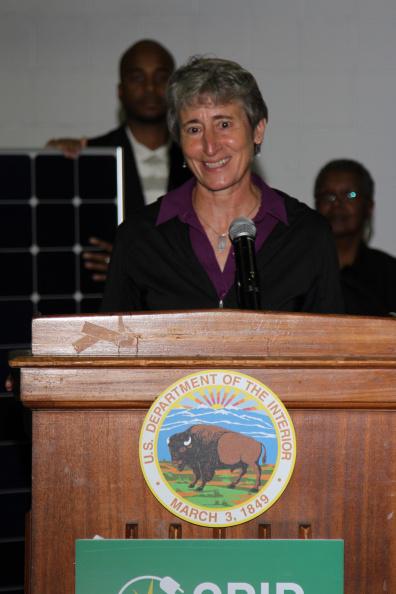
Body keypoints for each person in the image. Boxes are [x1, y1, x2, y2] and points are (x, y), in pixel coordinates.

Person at [102, 56, 344, 313]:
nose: (210, 146)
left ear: (257, 130)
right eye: (194, 129)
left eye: (224, 124)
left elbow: (333, 348)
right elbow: (111, 348)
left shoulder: (307, 234)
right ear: (179, 142)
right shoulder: (140, 236)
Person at [47, 39, 191, 281]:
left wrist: (131, 262)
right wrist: (50, 163)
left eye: (160, 77)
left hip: (179, 307)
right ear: (120, 91)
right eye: (137, 77)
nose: (150, 88)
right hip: (102, 307)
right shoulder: (86, 157)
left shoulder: (200, 160)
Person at [314, 159, 396, 316]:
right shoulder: (299, 268)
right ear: (316, 204)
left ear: (369, 206)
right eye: (328, 196)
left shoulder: (390, 274)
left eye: (350, 195)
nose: (337, 204)